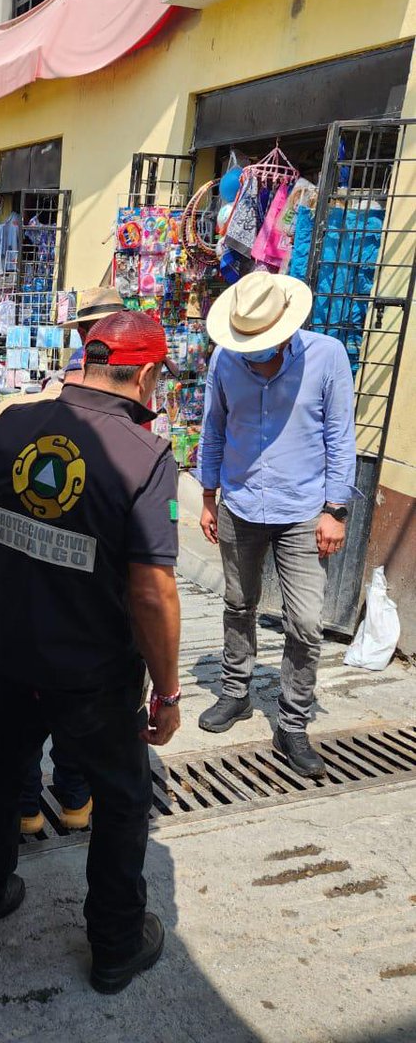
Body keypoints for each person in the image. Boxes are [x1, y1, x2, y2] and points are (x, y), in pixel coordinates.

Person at [0, 310, 181, 994]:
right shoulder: (145, 456)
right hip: (94, 674)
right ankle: (114, 945)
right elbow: (152, 593)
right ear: (145, 374)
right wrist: (167, 693)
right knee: (123, 800)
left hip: (10, 654)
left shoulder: (11, 422)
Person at [0, 286, 136, 833]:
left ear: (80, 334)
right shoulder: (139, 422)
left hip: (24, 599)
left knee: (19, 708)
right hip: (98, 605)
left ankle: (25, 804)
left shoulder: (20, 410)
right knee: (78, 703)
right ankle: (75, 798)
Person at [196, 271, 359, 778]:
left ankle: (292, 721)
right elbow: (213, 428)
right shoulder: (224, 359)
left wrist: (336, 510)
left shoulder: (328, 357)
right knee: (237, 603)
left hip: (304, 509)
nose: (254, 353)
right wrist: (207, 496)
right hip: (240, 503)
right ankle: (235, 692)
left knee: (306, 622)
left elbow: (340, 436)